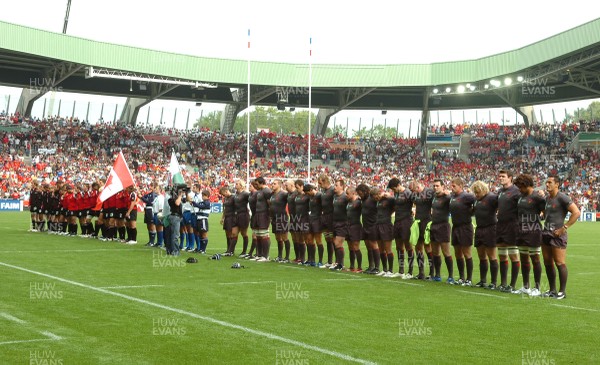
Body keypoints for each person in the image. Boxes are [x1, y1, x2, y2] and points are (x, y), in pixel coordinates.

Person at [541, 175, 580, 299]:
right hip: (546, 232)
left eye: (550, 182)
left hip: (558, 234)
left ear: (557, 184)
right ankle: (552, 290)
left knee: (559, 262)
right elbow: (546, 214)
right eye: (546, 183)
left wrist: (564, 228)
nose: (547, 185)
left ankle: (562, 292)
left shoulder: (562, 197)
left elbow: (576, 212)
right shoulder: (547, 198)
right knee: (547, 262)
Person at [512, 174, 546, 296]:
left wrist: (539, 217)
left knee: (535, 259)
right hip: (521, 231)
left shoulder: (538, 196)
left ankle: (536, 288)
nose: (519, 189)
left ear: (527, 185)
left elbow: (545, 212)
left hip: (533, 231)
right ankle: (526, 287)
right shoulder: (520, 196)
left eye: (521, 187)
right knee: (524, 259)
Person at [496, 170, 521, 293]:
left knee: (513, 256)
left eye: (503, 176)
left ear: (510, 178)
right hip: (500, 226)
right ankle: (503, 283)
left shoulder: (517, 192)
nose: (500, 178)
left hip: (512, 226)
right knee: (502, 255)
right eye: (499, 176)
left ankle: (512, 285)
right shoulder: (500, 192)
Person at [471, 180, 499, 289]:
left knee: (492, 256)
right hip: (479, 229)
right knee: (481, 256)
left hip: (491, 228)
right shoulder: (476, 200)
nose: (476, 194)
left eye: (478, 192)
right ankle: (483, 280)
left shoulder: (492, 197)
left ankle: (493, 282)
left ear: (483, 190)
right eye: (475, 192)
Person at [449, 177, 476, 286]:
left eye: (454, 185)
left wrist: (472, 212)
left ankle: (469, 279)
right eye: (451, 185)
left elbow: (478, 202)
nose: (452, 187)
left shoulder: (467, 196)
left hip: (465, 227)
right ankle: (461, 277)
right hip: (455, 227)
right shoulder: (452, 197)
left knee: (466, 253)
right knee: (457, 253)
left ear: (461, 186)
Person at [389, 177, 415, 279]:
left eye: (393, 189)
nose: (393, 191)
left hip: (406, 221)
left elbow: (416, 202)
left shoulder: (408, 193)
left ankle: (410, 272)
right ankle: (401, 270)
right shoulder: (396, 194)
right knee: (399, 247)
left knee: (408, 246)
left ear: (398, 185)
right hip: (397, 221)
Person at [408, 180, 435, 280]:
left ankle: (432, 273)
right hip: (417, 222)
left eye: (413, 190)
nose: (413, 193)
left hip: (427, 221)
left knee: (428, 246)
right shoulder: (416, 195)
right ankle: (421, 273)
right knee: (418, 248)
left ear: (418, 187)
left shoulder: (429, 192)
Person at [430, 179, 454, 283]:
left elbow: (455, 200)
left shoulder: (447, 197)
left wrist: (450, 194)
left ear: (443, 186)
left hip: (443, 226)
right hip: (434, 226)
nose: (435, 188)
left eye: (437, 186)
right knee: (435, 252)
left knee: (446, 252)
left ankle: (450, 276)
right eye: (434, 186)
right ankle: (437, 275)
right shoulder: (434, 197)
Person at [371, 187, 395, 277]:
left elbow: (396, 204)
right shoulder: (377, 202)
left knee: (388, 249)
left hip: (386, 225)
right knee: (381, 249)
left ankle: (390, 270)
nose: (375, 198)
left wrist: (390, 196)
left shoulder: (387, 199)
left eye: (376, 196)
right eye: (374, 197)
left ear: (379, 193)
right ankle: (384, 270)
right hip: (378, 225)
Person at [356, 183, 380, 274]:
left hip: (373, 225)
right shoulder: (363, 200)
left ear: (365, 191)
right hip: (365, 226)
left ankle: (377, 268)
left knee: (374, 245)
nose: (359, 195)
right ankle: (371, 266)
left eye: (360, 193)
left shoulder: (372, 198)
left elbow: (381, 198)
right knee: (368, 247)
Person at [269, 179, 290, 263]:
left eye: (274, 184)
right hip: (274, 218)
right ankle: (280, 256)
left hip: (282, 218)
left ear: (279, 185)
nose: (272, 185)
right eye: (272, 183)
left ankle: (287, 257)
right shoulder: (272, 194)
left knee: (285, 237)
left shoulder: (284, 194)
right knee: (278, 238)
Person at [318, 174, 336, 267]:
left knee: (333, 240)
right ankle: (329, 261)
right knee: (328, 239)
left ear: (325, 181)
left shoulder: (333, 190)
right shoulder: (323, 190)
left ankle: (337, 262)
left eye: (320, 183)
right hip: (324, 217)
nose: (319, 185)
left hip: (331, 217)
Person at [330, 179, 349, 271]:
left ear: (342, 186)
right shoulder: (334, 196)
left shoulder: (345, 197)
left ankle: (341, 264)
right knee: (334, 242)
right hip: (334, 222)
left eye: (336, 185)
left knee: (338, 243)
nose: (335, 187)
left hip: (342, 223)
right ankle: (337, 262)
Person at [254, 177, 272, 262]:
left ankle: (266, 256)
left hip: (264, 214)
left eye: (257, 184)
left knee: (264, 235)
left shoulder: (266, 191)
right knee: (258, 235)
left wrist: (269, 215)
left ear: (261, 183)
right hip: (258, 214)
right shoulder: (260, 191)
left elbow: (270, 204)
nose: (255, 186)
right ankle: (260, 254)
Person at [346, 186, 363, 272]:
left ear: (353, 193)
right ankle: (352, 266)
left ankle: (359, 267)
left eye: (347, 194)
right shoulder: (348, 202)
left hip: (355, 226)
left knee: (356, 246)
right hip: (348, 226)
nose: (346, 195)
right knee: (350, 247)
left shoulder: (358, 202)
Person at [305, 184, 323, 267]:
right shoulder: (310, 197)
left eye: (308, 192)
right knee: (309, 240)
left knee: (318, 240)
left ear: (311, 189)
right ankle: (311, 260)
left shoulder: (319, 195)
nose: (307, 194)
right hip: (310, 219)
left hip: (317, 220)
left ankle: (320, 261)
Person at [234, 180, 251, 257]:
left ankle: (244, 251)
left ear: (241, 185)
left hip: (244, 215)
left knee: (244, 233)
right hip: (237, 215)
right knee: (234, 233)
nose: (235, 185)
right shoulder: (236, 194)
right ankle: (231, 251)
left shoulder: (245, 194)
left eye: (237, 184)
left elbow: (252, 200)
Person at [285, 179, 301, 263]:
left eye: (286, 185)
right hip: (292, 218)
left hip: (297, 218)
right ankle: (297, 257)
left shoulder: (297, 193)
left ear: (292, 185)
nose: (285, 187)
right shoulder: (288, 194)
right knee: (294, 238)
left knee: (298, 238)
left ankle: (301, 257)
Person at [220, 186, 237, 256]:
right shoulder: (226, 198)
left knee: (231, 234)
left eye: (223, 194)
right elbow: (225, 209)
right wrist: (222, 218)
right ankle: (228, 250)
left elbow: (237, 207)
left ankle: (231, 251)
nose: (223, 195)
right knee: (227, 234)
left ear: (226, 191)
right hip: (227, 217)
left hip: (232, 217)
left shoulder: (233, 197)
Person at [167, 187, 184, 256]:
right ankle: (175, 251)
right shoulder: (171, 199)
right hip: (175, 217)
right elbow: (177, 203)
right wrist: (180, 195)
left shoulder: (170, 199)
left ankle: (171, 250)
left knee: (172, 235)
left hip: (175, 217)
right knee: (175, 235)